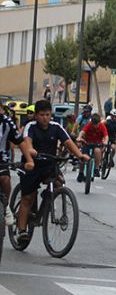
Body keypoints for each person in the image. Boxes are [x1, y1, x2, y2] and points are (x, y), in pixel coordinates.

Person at [14, 100, 90, 246]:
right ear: (36, 115)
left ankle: (47, 196)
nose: (45, 118)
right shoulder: (31, 126)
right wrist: (30, 150)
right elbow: (27, 141)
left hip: (49, 164)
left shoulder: (56, 127)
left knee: (58, 183)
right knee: (27, 198)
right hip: (32, 164)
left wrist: (80, 155)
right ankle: (21, 229)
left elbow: (68, 142)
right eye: (41, 115)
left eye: (48, 115)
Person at [0, 108, 24, 226]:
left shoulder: (7, 122)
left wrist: (29, 160)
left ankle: (5, 205)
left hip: (1, 158)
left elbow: (19, 141)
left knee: (5, 179)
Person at [75, 112, 109, 179]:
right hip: (87, 143)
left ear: (99, 122)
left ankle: (96, 169)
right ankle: (81, 172)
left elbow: (106, 136)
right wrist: (79, 137)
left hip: (97, 144)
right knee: (83, 156)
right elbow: (82, 132)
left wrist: (105, 141)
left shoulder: (102, 126)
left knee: (97, 151)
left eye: (96, 124)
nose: (95, 126)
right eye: (93, 124)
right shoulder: (89, 124)